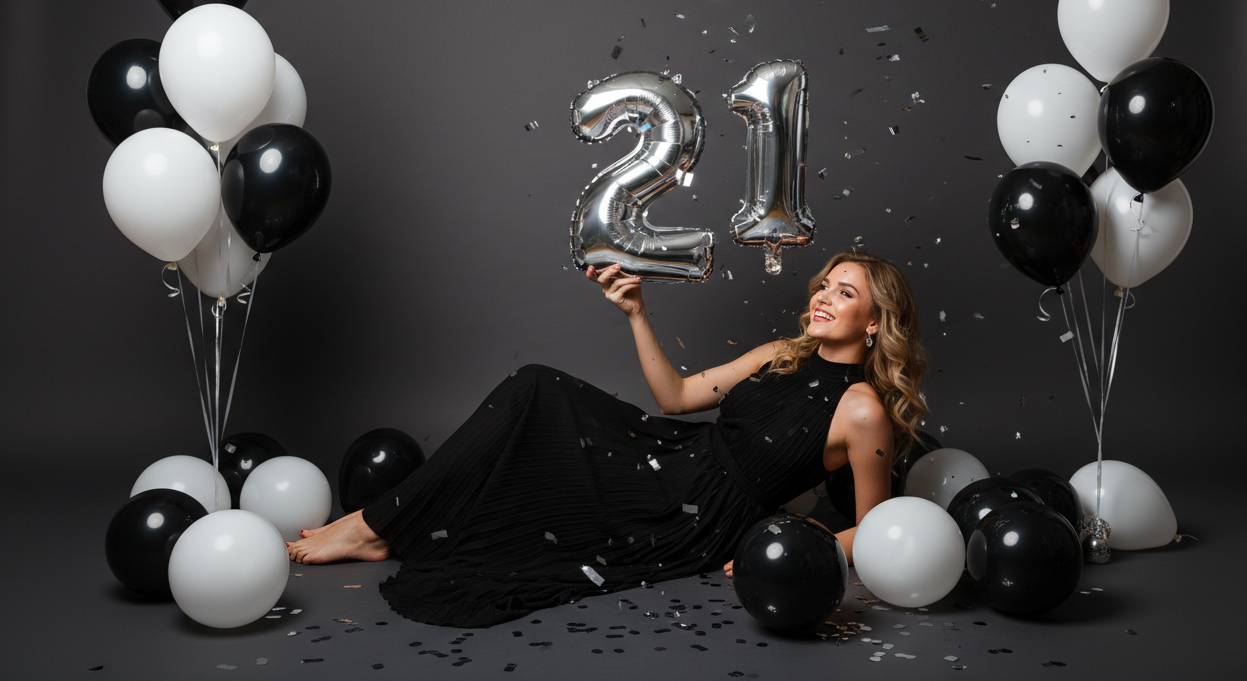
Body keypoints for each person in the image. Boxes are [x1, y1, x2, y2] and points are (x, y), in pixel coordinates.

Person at [286, 250, 927, 628]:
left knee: (536, 458)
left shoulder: (863, 410)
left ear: (875, 324)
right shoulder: (781, 353)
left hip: (697, 519)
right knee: (534, 385)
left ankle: (376, 526)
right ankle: (386, 526)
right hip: (671, 453)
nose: (822, 297)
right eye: (824, 285)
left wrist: (792, 540)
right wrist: (636, 313)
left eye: (845, 294)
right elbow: (676, 399)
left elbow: (873, 528)